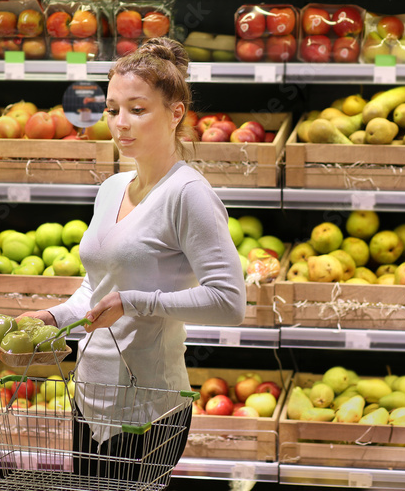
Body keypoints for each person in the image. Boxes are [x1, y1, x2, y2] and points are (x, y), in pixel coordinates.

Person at [18, 36, 247, 484]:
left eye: (137, 110)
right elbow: (97, 287)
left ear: (175, 112)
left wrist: (137, 302)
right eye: (112, 109)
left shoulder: (188, 194)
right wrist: (50, 316)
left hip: (149, 408)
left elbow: (229, 301)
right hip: (90, 397)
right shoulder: (111, 188)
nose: (121, 124)